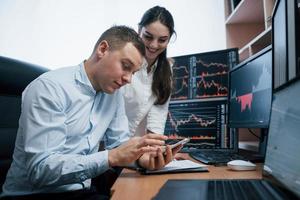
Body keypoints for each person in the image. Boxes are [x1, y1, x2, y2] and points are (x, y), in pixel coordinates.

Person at [0, 25, 180, 200]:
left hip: (82, 192)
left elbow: (120, 146)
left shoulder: (113, 95)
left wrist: (142, 160)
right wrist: (112, 157)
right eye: (125, 66)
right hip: (32, 195)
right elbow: (40, 170)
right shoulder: (49, 88)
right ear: (102, 49)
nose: (128, 79)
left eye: (133, 72)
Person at [122, 6, 175, 136]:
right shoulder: (123, 61)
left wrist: (154, 150)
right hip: (109, 145)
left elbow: (157, 120)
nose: (153, 45)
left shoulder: (166, 71)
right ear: (139, 30)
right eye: (148, 37)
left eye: (162, 40)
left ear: (169, 39)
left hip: (135, 148)